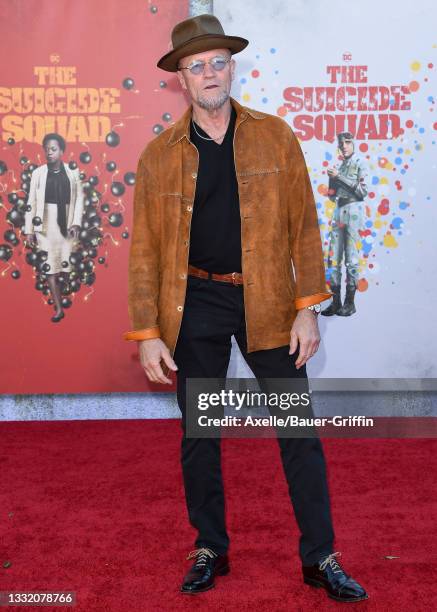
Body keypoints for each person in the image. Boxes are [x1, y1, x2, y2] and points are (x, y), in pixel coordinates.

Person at [124, 14, 368, 603]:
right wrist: (148, 331)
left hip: (267, 301)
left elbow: (305, 227)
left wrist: (307, 307)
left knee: (297, 432)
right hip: (196, 304)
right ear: (180, 80)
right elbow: (146, 251)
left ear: (231, 68)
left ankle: (321, 557)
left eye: (217, 62)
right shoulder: (160, 155)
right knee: (200, 434)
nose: (209, 73)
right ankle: (210, 547)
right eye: (196, 66)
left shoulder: (275, 137)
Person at [24, 133, 84, 322]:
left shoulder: (73, 173)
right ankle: (59, 308)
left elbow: (79, 200)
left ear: (62, 151)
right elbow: (31, 202)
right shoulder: (38, 173)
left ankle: (67, 297)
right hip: (45, 223)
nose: (49, 153)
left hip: (66, 222)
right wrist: (29, 230)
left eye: (54, 149)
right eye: (47, 149)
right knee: (49, 267)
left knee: (65, 267)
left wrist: (76, 222)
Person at [322, 132, 368, 317]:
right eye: (341, 144)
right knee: (333, 259)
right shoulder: (339, 165)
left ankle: (350, 303)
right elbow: (332, 195)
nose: (344, 146)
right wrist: (332, 179)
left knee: (351, 258)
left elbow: (363, 191)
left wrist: (339, 177)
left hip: (353, 212)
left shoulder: (360, 163)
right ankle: (335, 302)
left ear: (354, 143)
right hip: (339, 211)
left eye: (348, 143)